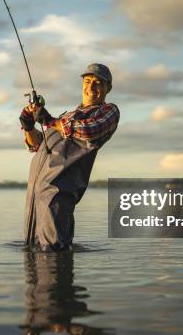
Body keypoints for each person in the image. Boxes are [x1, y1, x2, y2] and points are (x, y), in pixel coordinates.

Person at [20, 63, 120, 251]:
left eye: (98, 83)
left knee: (54, 254)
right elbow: (36, 146)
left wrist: (49, 120)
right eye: (88, 81)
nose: (91, 87)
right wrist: (28, 125)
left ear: (109, 88)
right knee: (32, 259)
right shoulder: (68, 116)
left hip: (58, 196)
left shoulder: (108, 111)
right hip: (34, 198)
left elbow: (89, 131)